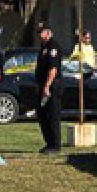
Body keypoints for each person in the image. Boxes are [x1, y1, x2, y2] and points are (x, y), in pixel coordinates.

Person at [34, 22, 64, 154]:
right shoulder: (43, 47)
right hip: (43, 84)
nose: (40, 35)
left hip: (52, 85)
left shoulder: (53, 46)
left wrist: (47, 86)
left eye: (42, 32)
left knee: (52, 115)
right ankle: (49, 143)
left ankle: (55, 145)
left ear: (48, 32)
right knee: (42, 114)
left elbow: (53, 69)